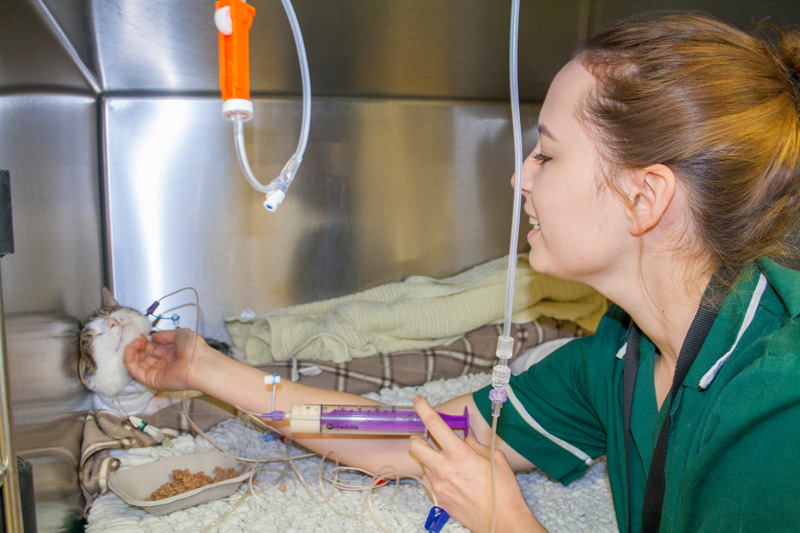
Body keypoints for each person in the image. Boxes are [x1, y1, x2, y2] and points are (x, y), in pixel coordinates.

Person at [124, 12, 800, 532]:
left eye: (547, 155)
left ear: (643, 199)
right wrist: (205, 370)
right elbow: (405, 436)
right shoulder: (620, 356)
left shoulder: (776, 416)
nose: (518, 177)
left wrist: (508, 520)